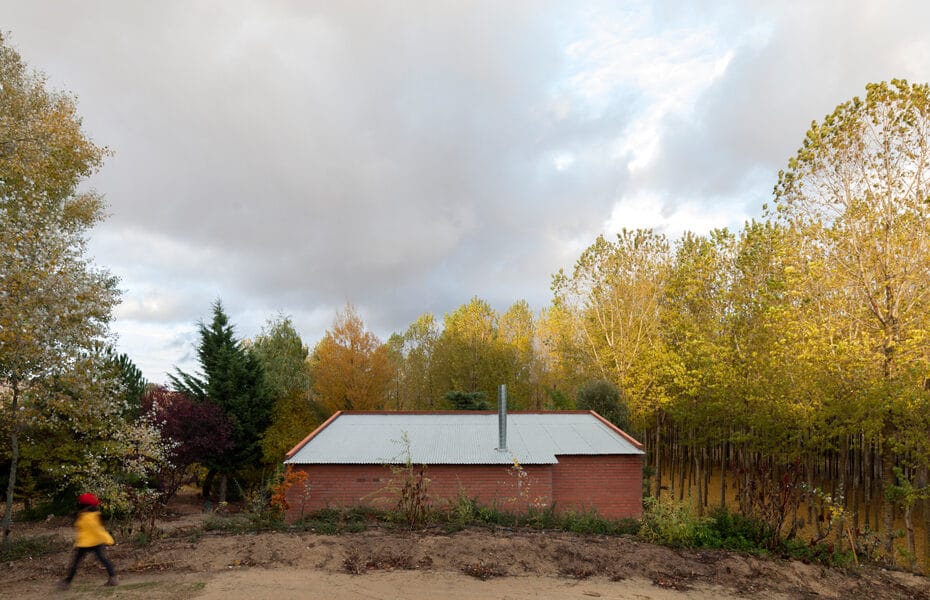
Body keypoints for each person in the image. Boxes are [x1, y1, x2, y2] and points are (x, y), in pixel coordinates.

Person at [58, 493, 118, 589]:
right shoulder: (93, 515)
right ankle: (113, 578)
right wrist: (108, 539)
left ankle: (67, 582)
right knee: (103, 559)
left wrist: (108, 539)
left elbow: (94, 529)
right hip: (96, 542)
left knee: (75, 563)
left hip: (85, 544)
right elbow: (100, 530)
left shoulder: (86, 517)